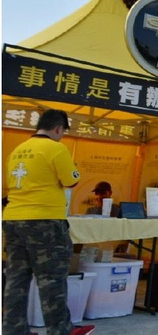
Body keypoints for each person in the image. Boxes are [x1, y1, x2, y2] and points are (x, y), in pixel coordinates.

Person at [2, 109, 95, 335]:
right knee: (51, 278)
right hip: (44, 221)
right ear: (58, 129)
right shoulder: (56, 148)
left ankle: (14, 330)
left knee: (16, 278)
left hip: (13, 219)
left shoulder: (18, 150)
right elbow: (71, 180)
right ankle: (60, 330)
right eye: (62, 132)